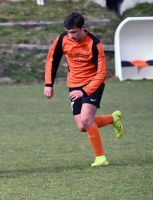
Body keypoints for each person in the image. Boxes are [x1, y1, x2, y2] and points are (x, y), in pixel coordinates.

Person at [43, 12, 124, 167]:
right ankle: (113, 119)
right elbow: (52, 59)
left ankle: (101, 158)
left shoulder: (94, 44)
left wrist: (85, 91)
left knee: (87, 120)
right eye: (68, 32)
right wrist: (49, 84)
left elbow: (101, 74)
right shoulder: (62, 39)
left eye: (74, 32)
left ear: (83, 28)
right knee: (82, 126)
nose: (70, 35)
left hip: (93, 84)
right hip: (74, 85)